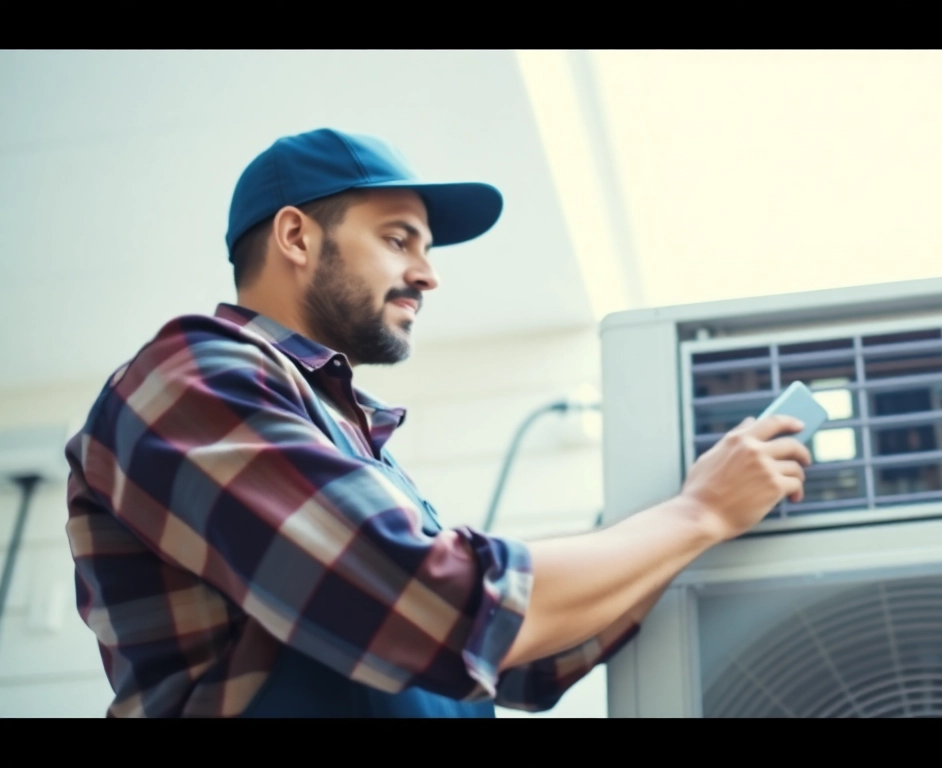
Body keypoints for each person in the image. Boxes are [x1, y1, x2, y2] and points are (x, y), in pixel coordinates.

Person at [64, 128, 812, 717]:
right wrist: (698, 513)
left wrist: (706, 514)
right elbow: (438, 612)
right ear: (296, 237)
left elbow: (521, 662)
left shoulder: (349, 440)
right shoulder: (192, 377)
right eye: (398, 239)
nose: (429, 274)